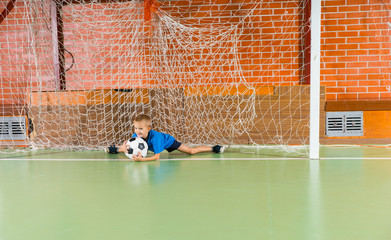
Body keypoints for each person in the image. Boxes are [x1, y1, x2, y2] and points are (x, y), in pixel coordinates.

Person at [105, 114, 225, 161]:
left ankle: (213, 148)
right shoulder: (136, 136)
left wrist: (141, 160)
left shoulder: (155, 138)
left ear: (149, 129)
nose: (137, 131)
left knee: (191, 151)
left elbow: (156, 158)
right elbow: (131, 146)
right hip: (149, 146)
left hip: (168, 142)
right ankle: (114, 149)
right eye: (136, 128)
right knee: (125, 147)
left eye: (140, 129)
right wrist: (124, 148)